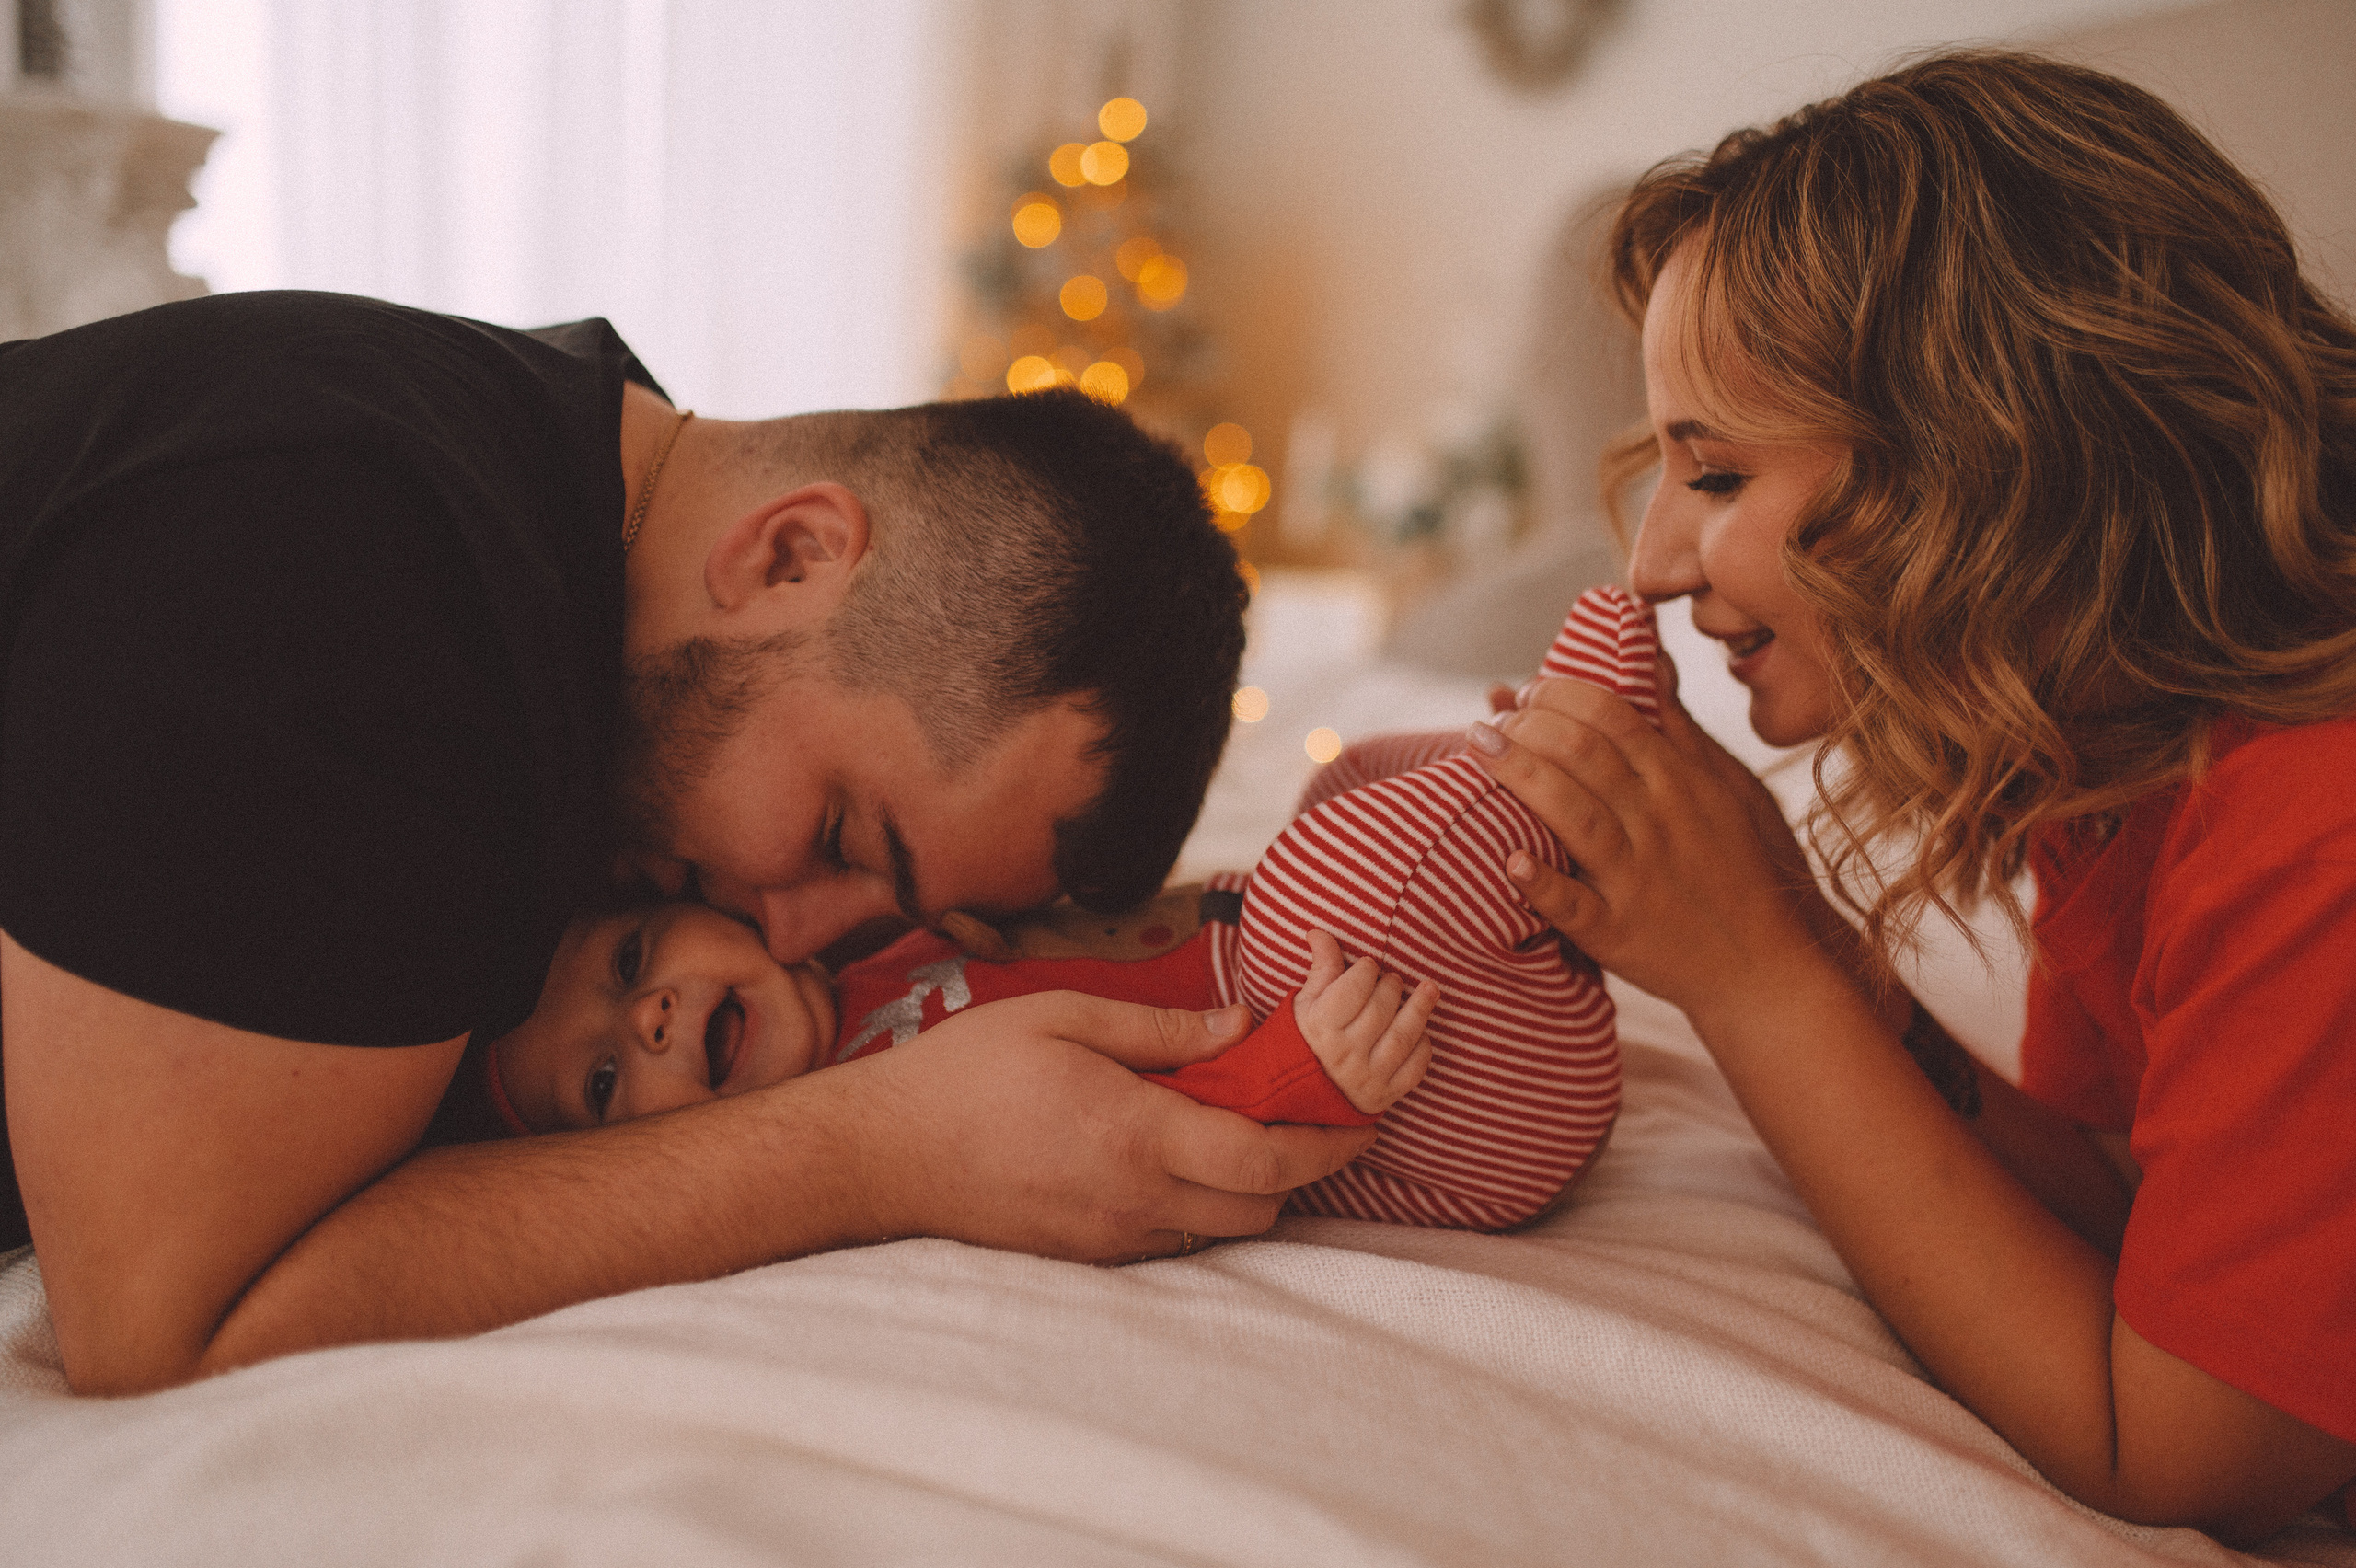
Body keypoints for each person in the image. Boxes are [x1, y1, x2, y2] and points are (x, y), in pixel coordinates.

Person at [0, 290, 1371, 1397]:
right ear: (786, 557)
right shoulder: (345, 556)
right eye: (843, 834)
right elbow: (172, 1330)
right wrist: (878, 1147)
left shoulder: (571, 496)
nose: (791, 933)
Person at [1465, 52, 2356, 1542]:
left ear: (1995, 466)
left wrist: (1752, 982)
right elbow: (2116, 1197)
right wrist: (1817, 944)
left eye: (1722, 472)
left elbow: (2176, 1451)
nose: (1654, 565)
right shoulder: (2121, 756)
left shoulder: (2315, 827)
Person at [484, 586, 1655, 1231]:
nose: (643, 1018)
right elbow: (1126, 1126)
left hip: (1394, 971)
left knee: (1336, 787)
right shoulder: (893, 1106)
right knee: (1336, 879)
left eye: (631, 958)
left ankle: (1529, 778)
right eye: (600, 1083)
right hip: (1406, 1082)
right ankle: (1579, 747)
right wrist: (1297, 1067)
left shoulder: (855, 958)